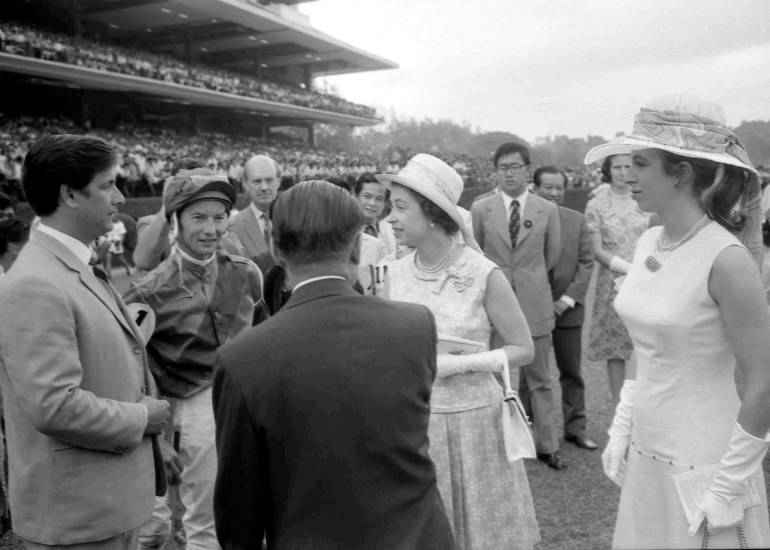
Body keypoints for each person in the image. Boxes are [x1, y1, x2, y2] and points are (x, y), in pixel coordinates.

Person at [213, 180, 454, 548]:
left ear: (276, 249)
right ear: (357, 245)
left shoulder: (243, 357)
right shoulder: (415, 325)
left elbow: (239, 512)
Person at [589, 90, 770, 549]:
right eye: (626, 163)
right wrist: (622, 426)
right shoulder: (649, 240)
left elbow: (763, 377)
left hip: (705, 461)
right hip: (649, 449)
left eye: (641, 163)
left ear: (682, 174)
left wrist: (730, 482)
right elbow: (646, 349)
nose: (627, 174)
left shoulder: (726, 259)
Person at [0, 134, 170, 549]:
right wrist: (141, 419)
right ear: (70, 194)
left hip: (102, 504)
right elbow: (54, 405)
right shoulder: (37, 282)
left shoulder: (66, 265)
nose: (122, 196)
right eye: (109, 184)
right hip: (77, 517)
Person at [380, 154, 540, 550]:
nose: (390, 218)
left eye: (400, 207)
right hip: (417, 425)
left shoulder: (483, 273)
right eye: (390, 207)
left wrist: (460, 364)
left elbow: (524, 349)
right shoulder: (393, 274)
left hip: (478, 425)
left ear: (433, 214)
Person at [124, 168, 267, 550]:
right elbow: (132, 367)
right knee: (203, 526)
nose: (211, 229)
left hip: (247, 409)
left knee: (247, 517)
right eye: (198, 218)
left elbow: (266, 341)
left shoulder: (247, 273)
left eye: (219, 217)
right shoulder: (149, 290)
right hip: (190, 413)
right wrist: (158, 437)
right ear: (176, 221)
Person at [470, 142, 565, 470]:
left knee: (539, 378)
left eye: (515, 166)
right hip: (494, 305)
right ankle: (498, 445)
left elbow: (550, 257)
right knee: (496, 376)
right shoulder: (482, 209)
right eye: (502, 168)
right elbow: (476, 254)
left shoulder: (547, 210)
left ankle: (547, 445)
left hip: (535, 302)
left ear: (528, 169)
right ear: (495, 172)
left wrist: (531, 281)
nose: (509, 173)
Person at [532, 167, 596, 450]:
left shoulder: (577, 220)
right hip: (533, 310)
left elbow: (586, 263)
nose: (555, 193)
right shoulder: (525, 221)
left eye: (559, 188)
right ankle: (530, 430)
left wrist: (565, 300)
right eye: (548, 187)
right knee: (532, 374)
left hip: (567, 310)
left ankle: (576, 429)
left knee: (571, 372)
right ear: (534, 188)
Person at [584, 151, 650, 406]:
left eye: (627, 166)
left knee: (644, 346)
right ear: (608, 170)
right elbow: (597, 250)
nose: (623, 172)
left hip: (646, 277)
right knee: (615, 350)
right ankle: (618, 410)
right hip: (612, 282)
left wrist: (643, 268)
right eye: (617, 167)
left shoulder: (644, 198)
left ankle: (644, 407)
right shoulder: (596, 204)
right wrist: (626, 267)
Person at [228, 154, 280, 274]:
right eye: (257, 181)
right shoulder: (233, 225)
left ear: (278, 182)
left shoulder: (294, 220)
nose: (264, 187)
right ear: (245, 184)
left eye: (269, 180)